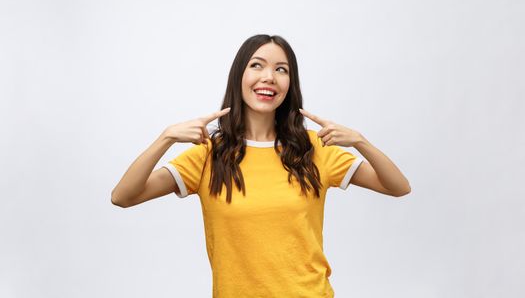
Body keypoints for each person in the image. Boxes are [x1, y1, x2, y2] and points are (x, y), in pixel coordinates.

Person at [111, 34, 411, 297]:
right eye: (257, 65)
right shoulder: (207, 154)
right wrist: (164, 138)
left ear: (289, 84)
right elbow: (123, 196)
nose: (269, 76)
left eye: (281, 70)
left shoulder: (314, 149)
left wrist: (361, 142)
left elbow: (398, 187)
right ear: (238, 76)